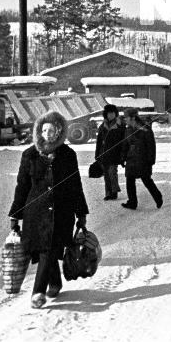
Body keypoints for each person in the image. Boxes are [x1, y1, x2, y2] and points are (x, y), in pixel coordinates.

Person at [9, 111, 89, 309]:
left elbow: (75, 185)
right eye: (43, 130)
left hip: (62, 211)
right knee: (43, 248)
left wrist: (81, 213)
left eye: (51, 130)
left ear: (59, 132)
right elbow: (22, 186)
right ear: (38, 131)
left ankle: (37, 292)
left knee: (50, 248)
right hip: (35, 212)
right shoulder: (29, 155)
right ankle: (54, 282)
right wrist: (15, 215)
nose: (47, 134)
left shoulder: (68, 155)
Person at [121, 108, 163, 210]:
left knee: (146, 179)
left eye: (126, 117)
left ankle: (158, 197)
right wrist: (122, 158)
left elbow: (151, 146)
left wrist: (151, 160)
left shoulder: (146, 129)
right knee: (130, 180)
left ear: (132, 117)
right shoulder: (128, 129)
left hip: (143, 159)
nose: (125, 119)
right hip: (131, 158)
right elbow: (125, 145)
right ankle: (132, 202)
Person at [94, 104, 124, 200]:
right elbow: (99, 141)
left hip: (115, 154)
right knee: (106, 174)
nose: (110, 115)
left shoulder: (120, 125)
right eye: (108, 113)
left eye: (112, 113)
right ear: (105, 114)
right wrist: (97, 155)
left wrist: (122, 155)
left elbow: (123, 141)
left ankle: (114, 192)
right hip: (104, 154)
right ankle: (108, 193)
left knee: (112, 173)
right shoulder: (103, 126)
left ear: (115, 114)